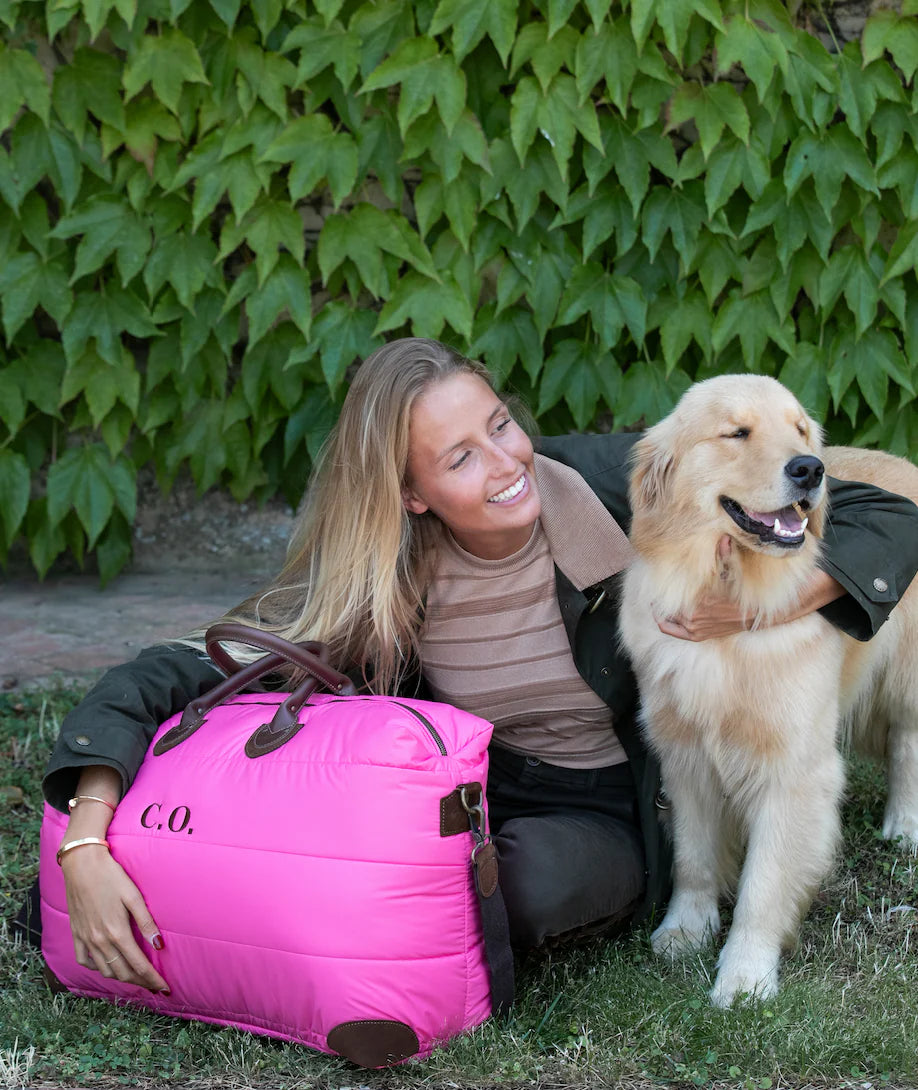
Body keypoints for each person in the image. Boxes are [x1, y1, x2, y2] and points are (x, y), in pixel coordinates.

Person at [38, 338, 918, 998]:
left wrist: (770, 603)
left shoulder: (603, 483)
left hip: (608, 805)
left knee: (510, 891)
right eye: (462, 458)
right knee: (329, 864)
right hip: (468, 789)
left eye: (501, 425)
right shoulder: (386, 578)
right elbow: (190, 665)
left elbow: (887, 511)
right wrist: (86, 830)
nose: (506, 464)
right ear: (412, 494)